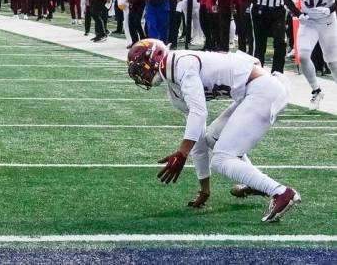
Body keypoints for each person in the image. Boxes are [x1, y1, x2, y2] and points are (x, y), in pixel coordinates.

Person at [127, 39, 299, 222]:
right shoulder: (174, 87)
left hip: (263, 90)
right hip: (250, 93)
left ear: (155, 57)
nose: (140, 75)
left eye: (141, 68)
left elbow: (199, 113)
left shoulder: (181, 63)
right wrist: (204, 189)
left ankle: (281, 193)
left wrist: (181, 153)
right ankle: (256, 183)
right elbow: (199, 139)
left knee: (221, 158)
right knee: (211, 138)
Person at [283, 0, 337, 109]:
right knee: (304, 56)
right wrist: (298, 14)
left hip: (328, 21)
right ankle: (316, 90)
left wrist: (330, 9)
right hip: (309, 21)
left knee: (333, 62)